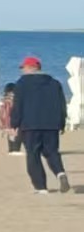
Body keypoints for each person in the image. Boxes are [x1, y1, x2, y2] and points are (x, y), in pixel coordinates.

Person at [10, 56, 71, 194]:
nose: (22, 71)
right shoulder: (54, 83)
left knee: (33, 154)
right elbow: (62, 105)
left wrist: (14, 123)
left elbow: (18, 105)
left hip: (30, 124)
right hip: (51, 124)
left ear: (31, 68)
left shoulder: (22, 83)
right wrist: (61, 123)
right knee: (52, 152)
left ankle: (41, 187)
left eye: (24, 68)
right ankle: (60, 174)